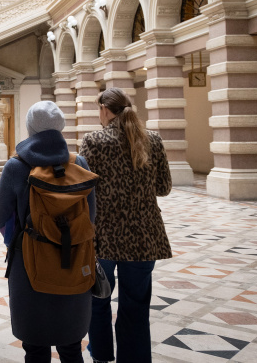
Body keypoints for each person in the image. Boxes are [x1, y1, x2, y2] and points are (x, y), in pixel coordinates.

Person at [0, 101, 95, 363]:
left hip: (29, 265)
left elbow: (0, 215)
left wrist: (19, 240)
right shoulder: (79, 162)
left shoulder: (16, 166)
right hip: (74, 259)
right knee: (71, 347)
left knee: (35, 348)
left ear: (30, 128)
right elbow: (91, 216)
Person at [79, 87, 172, 363]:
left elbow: (83, 188)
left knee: (98, 300)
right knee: (136, 306)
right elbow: (164, 187)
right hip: (144, 238)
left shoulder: (93, 141)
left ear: (105, 110)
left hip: (102, 237)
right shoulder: (153, 140)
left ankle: (101, 357)